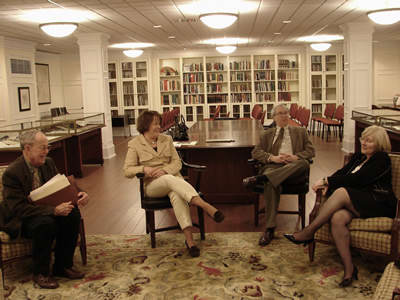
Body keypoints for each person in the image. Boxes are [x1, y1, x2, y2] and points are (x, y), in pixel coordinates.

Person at [284, 125, 397, 287]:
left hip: (378, 201)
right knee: (337, 218)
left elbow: (358, 179)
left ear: (379, 144)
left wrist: (326, 182)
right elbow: (342, 173)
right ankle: (349, 269)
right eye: (362, 139)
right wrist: (329, 181)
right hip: (359, 201)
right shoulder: (359, 157)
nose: (363, 143)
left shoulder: (382, 159)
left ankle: (309, 231)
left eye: (369, 141)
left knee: (342, 191)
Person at [124, 110, 224, 257]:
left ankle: (190, 242)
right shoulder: (135, 144)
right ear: (145, 126)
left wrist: (164, 170)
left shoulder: (166, 139)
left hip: (172, 181)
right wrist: (144, 168)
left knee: (177, 195)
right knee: (170, 180)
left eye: (159, 123)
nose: (159, 126)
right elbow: (127, 171)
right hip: (152, 186)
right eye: (155, 124)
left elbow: (177, 163)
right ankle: (204, 205)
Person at [1, 129, 89, 289]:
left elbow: (60, 185)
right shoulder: (12, 173)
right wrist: (53, 211)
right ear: (27, 149)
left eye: (47, 147)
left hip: (46, 210)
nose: (46, 151)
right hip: (23, 218)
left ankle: (63, 266)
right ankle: (40, 273)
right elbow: (18, 208)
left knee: (72, 214)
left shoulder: (48, 163)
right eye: (42, 148)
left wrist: (79, 194)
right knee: (45, 224)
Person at [243, 104, 315, 246]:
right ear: (274, 117)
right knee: (271, 181)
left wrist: (295, 156)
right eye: (280, 113)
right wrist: (272, 158)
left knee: (303, 163)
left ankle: (262, 178)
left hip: (294, 167)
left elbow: (311, 152)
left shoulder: (300, 131)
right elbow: (255, 152)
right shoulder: (267, 134)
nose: (284, 116)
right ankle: (270, 228)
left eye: (286, 113)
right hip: (273, 166)